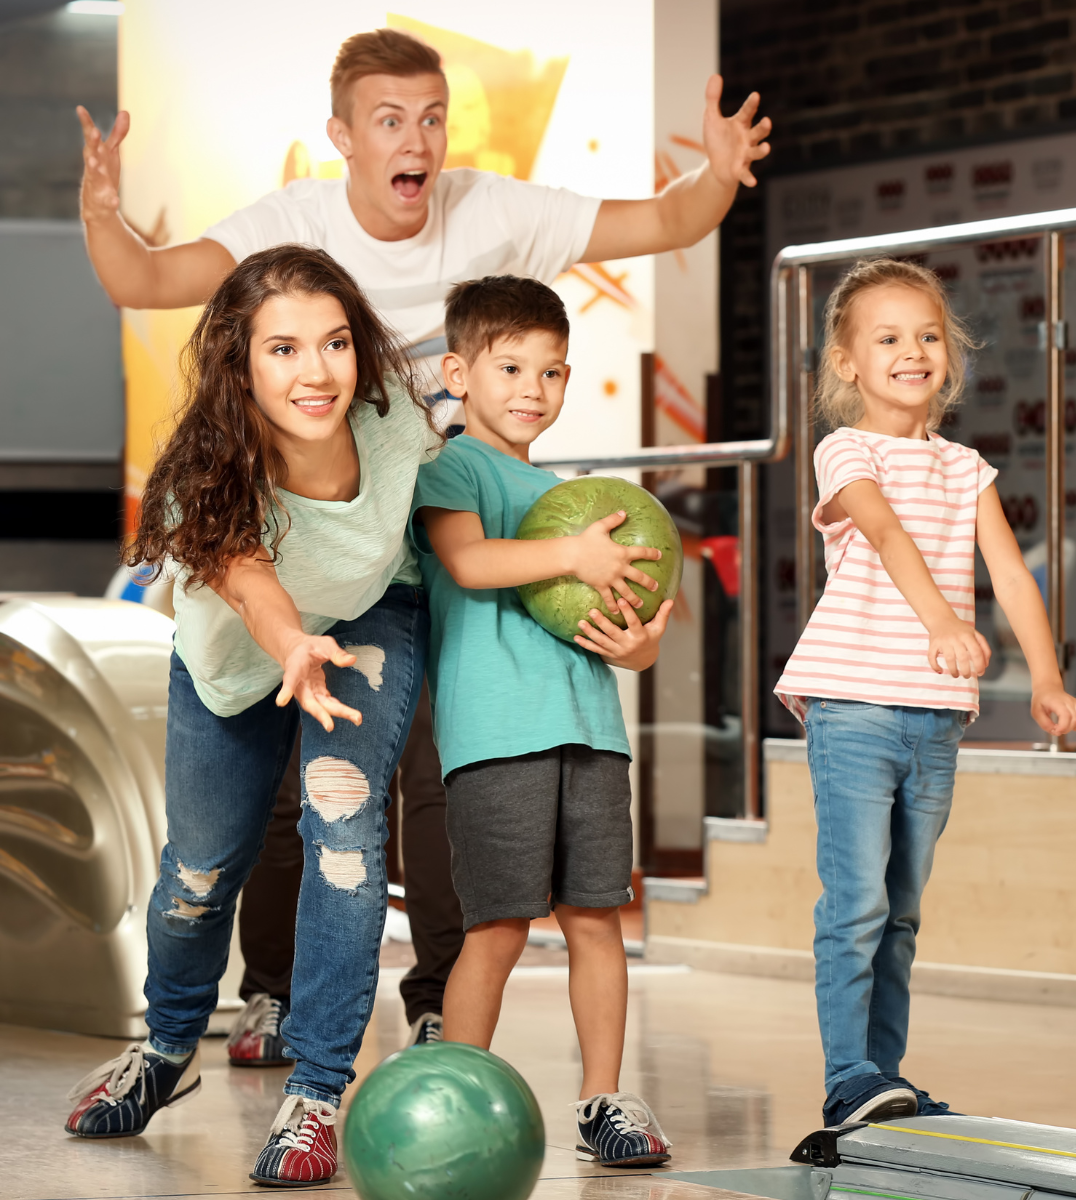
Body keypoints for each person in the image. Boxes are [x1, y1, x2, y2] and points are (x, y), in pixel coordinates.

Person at [73, 26, 771, 1058]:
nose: (418, 139)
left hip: (431, 536)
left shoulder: (494, 212)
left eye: (432, 117)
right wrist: (99, 210)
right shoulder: (291, 228)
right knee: (277, 788)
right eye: (390, 119)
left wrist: (716, 177)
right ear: (341, 136)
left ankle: (434, 996)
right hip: (313, 538)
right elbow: (143, 278)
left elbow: (665, 217)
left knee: (436, 775)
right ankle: (266, 993)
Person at [66, 247, 649, 1188]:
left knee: (342, 828)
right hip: (242, 658)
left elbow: (471, 526)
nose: (317, 371)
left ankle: (319, 1095)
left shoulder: (394, 430)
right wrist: (292, 640)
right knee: (200, 871)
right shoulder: (203, 472)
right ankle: (167, 1047)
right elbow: (250, 583)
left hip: (373, 624)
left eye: (334, 342)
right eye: (285, 349)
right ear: (240, 364)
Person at [773, 259, 1076, 1127]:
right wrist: (943, 623)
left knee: (902, 913)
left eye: (927, 336)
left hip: (936, 719)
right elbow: (881, 531)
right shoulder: (847, 450)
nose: (912, 351)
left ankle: (885, 1075)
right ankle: (847, 1076)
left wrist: (1048, 680)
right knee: (857, 901)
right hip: (854, 709)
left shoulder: (966, 468)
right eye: (887, 338)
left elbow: (1013, 579)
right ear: (847, 363)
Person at [410, 275, 675, 1165]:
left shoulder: (570, 495)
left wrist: (638, 648)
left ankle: (604, 1102)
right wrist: (575, 552)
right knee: (498, 927)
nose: (533, 389)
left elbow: (603, 630)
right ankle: (457, 1095)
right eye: (512, 366)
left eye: (553, 373)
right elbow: (473, 560)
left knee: (596, 919)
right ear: (458, 371)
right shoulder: (452, 469)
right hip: (494, 741)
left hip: (591, 732)